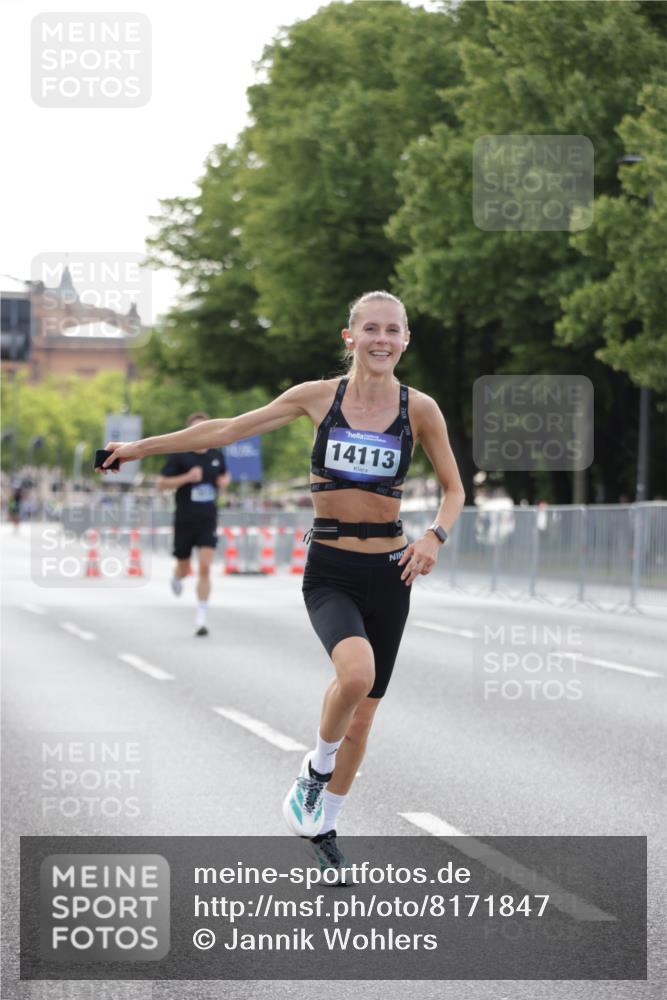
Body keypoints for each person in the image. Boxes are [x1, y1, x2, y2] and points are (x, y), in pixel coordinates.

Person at [99, 291, 465, 874]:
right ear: (350, 337)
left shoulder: (420, 409)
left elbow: (453, 489)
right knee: (356, 674)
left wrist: (433, 538)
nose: (380, 339)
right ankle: (315, 771)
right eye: (369, 328)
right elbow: (223, 430)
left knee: (365, 713)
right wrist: (140, 448)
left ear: (404, 341)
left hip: (392, 569)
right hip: (332, 568)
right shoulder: (317, 398)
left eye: (391, 330)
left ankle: (325, 824)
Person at [156, 412, 230, 637]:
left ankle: (201, 618)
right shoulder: (180, 456)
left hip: (208, 519)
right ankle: (177, 576)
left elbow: (224, 476)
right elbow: (161, 484)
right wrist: (186, 478)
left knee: (205, 568)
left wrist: (224, 482)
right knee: (184, 566)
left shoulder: (216, 455)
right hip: (185, 519)